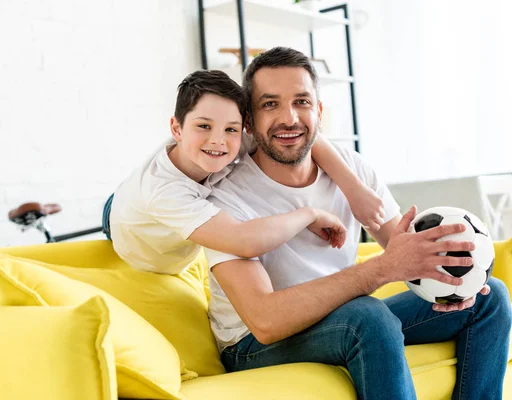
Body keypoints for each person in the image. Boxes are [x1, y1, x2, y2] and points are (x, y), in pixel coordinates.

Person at [203, 47, 512, 400]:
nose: (288, 118)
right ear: (249, 119)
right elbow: (265, 321)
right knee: (366, 315)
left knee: (490, 298)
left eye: (302, 102)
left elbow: (404, 249)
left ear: (319, 112)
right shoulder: (225, 195)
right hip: (252, 343)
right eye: (270, 104)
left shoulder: (350, 168)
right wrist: (381, 269)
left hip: (341, 318)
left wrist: (450, 279)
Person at [103, 69, 385, 275]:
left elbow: (309, 138)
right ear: (176, 129)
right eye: (203, 126)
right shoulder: (164, 192)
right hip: (127, 225)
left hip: (159, 214)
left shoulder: (232, 139)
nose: (218, 140)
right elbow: (244, 241)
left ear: (244, 126)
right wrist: (309, 214)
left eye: (230, 129)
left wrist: (355, 190)